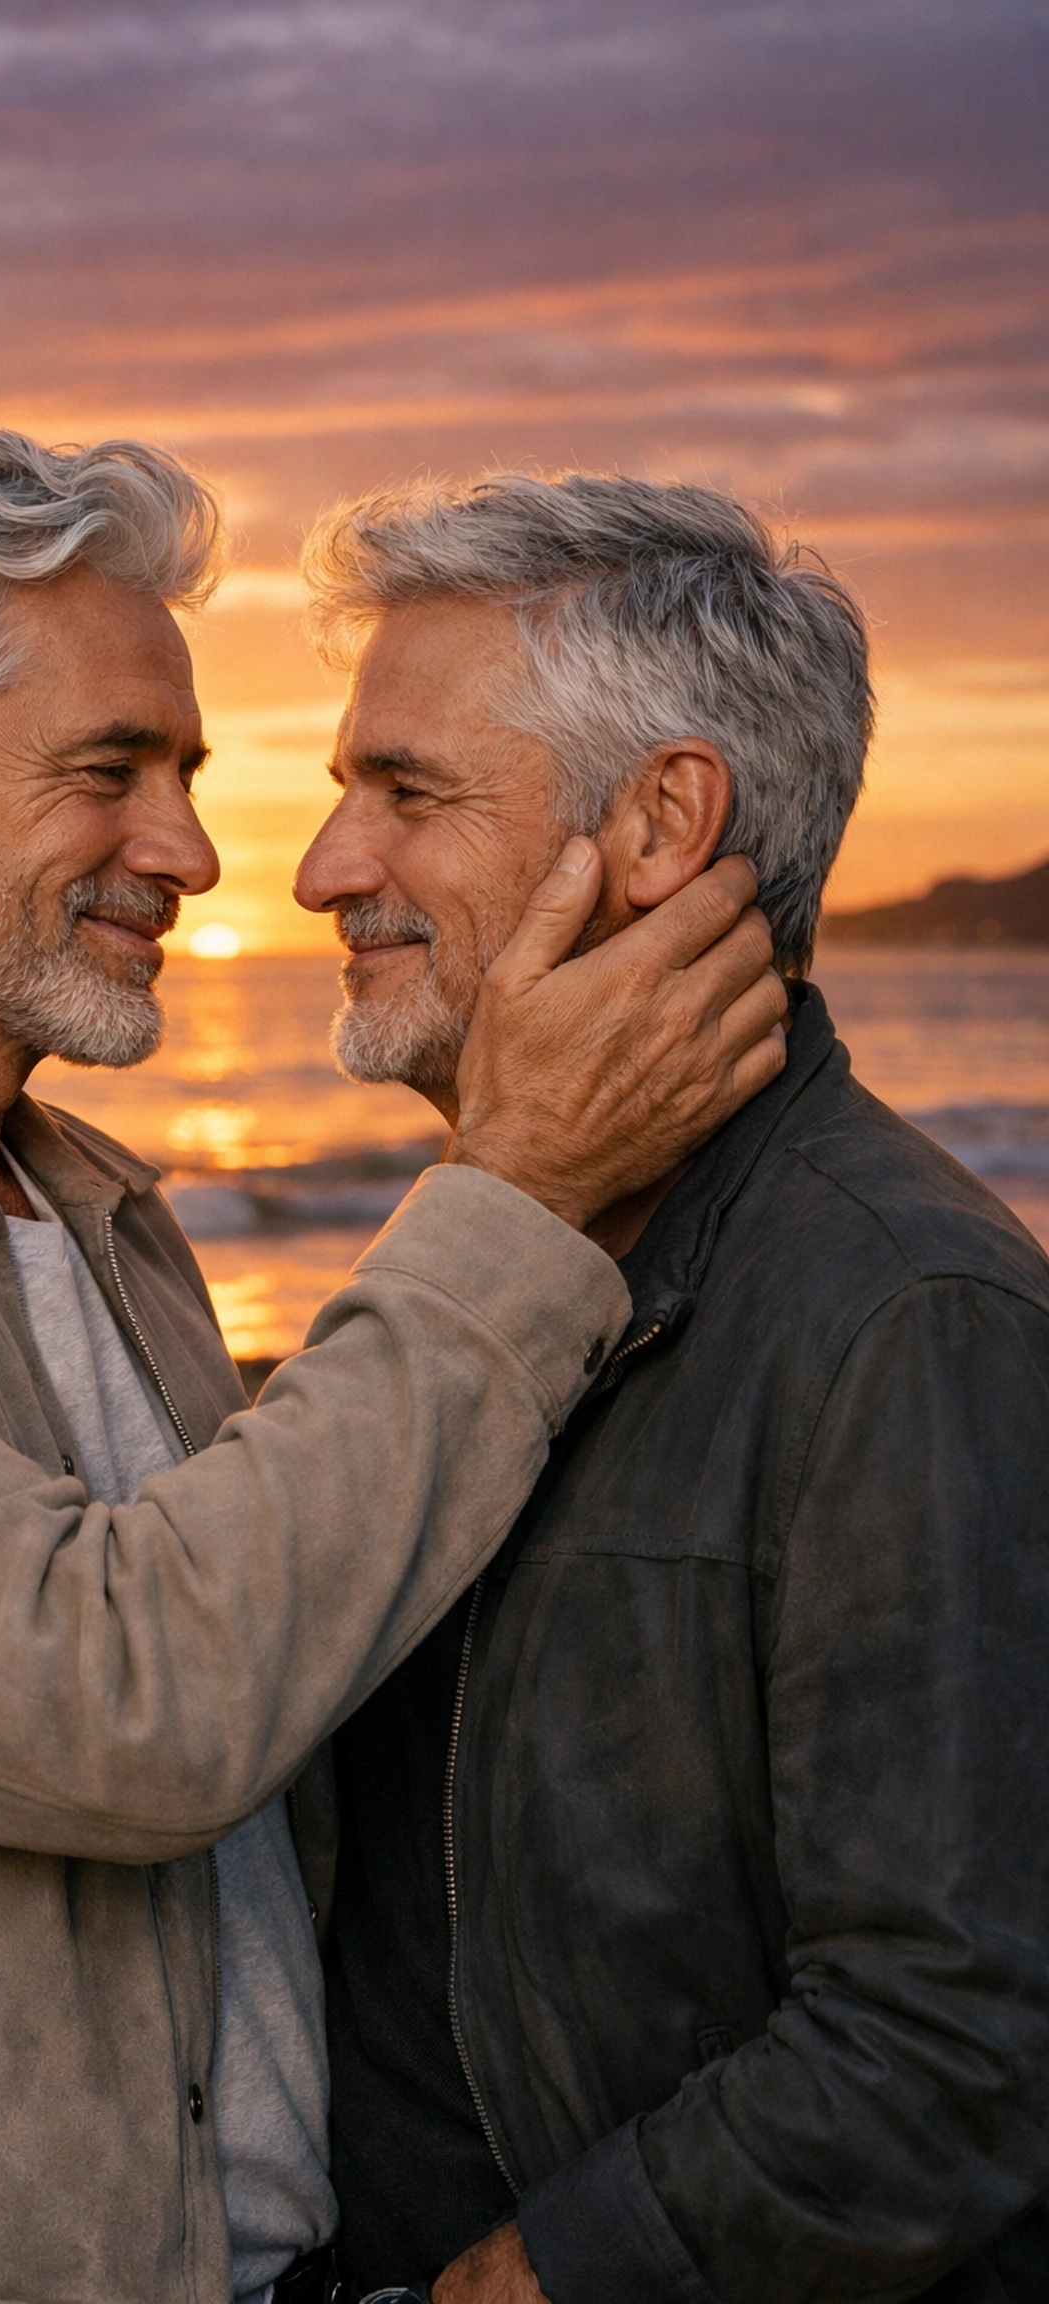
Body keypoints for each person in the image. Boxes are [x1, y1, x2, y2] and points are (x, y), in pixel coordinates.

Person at [0, 430, 785, 2304]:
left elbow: (290, 1663)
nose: (193, 853)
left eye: (183, 776)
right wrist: (517, 1193)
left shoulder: (96, 1206)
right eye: (109, 772)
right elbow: (130, 1704)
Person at [293, 469, 1049, 2304]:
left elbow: (953, 2049)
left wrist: (522, 2285)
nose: (322, 867)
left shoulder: (906, 1317)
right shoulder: (481, 1261)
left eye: (406, 792)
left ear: (660, 824)